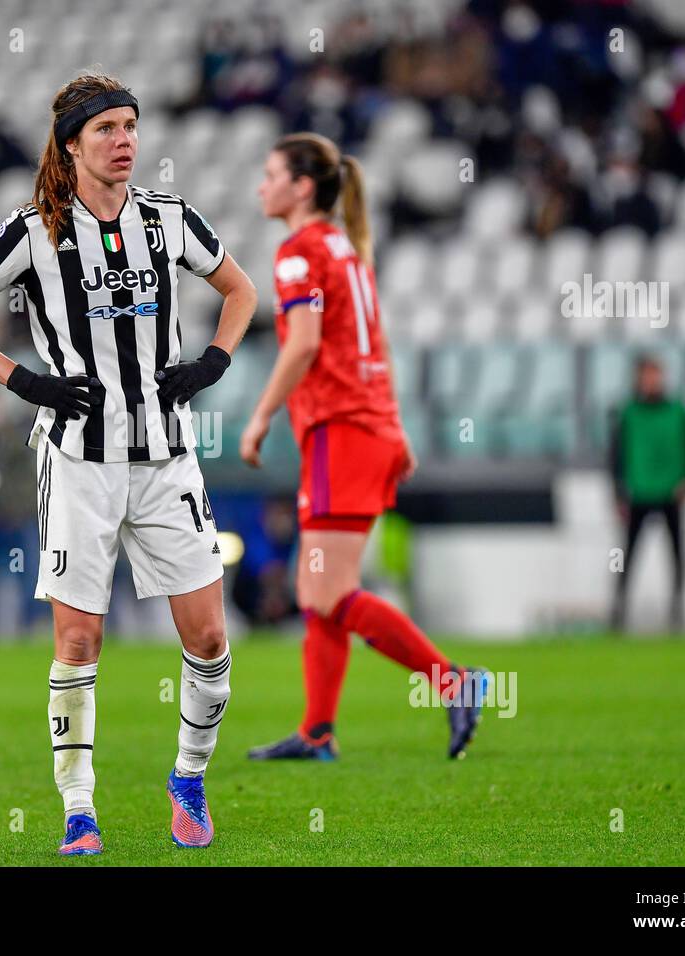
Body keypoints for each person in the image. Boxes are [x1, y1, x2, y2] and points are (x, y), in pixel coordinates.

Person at [0, 72, 257, 855]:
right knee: (78, 643)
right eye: (106, 128)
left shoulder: (170, 221)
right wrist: (25, 380)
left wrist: (213, 359)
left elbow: (240, 292)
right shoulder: (31, 230)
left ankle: (188, 776)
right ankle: (80, 808)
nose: (124, 141)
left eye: (131, 126)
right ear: (71, 143)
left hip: (167, 458)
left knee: (208, 636)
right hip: (79, 461)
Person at [241, 132, 486, 763]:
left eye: (271, 175)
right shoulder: (344, 247)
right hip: (364, 429)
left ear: (301, 188)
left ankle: (453, 681)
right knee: (315, 590)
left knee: (325, 592)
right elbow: (374, 343)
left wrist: (261, 415)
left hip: (341, 433)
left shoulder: (300, 251)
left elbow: (302, 344)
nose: (261, 186)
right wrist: (395, 426)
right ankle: (317, 732)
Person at [610, 354, 685, 631]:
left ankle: (677, 610)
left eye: (655, 375)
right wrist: (618, 492)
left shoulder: (679, 410)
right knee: (628, 555)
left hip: (670, 492)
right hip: (639, 492)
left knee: (676, 554)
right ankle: (619, 609)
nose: (651, 381)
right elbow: (615, 456)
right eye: (647, 375)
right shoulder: (628, 413)